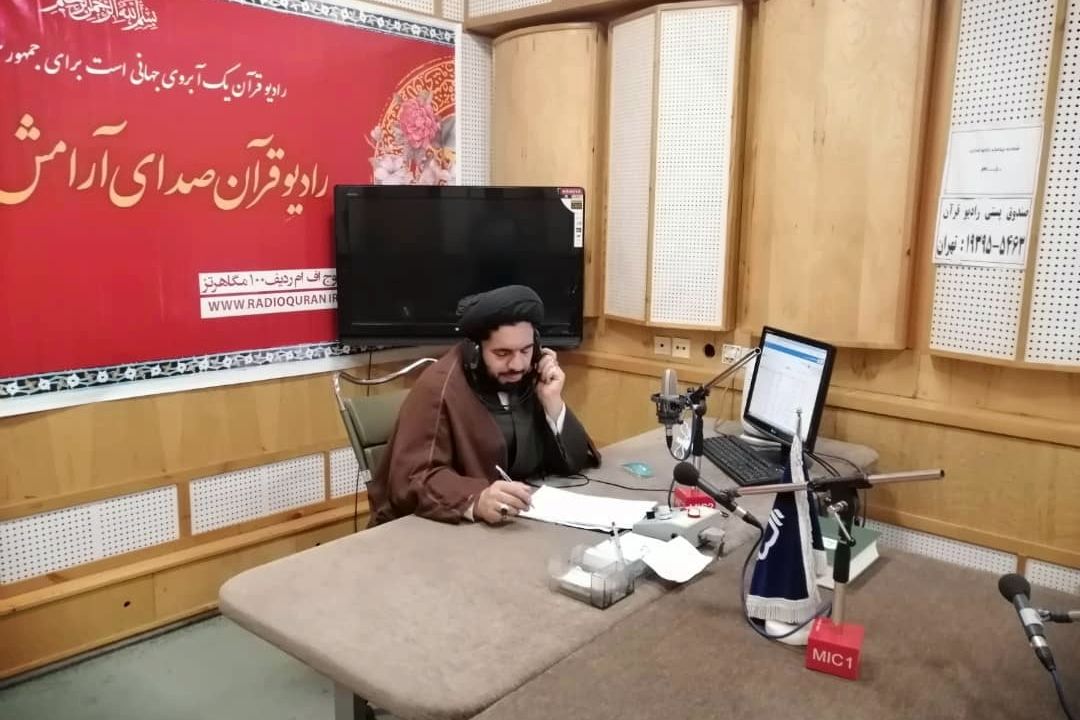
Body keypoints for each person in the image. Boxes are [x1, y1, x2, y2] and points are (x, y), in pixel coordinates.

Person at [367, 285, 600, 526]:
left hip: (516, 524)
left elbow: (574, 462)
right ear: (475, 352)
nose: (517, 365)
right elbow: (414, 477)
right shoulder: (438, 388)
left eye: (526, 350)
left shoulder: (530, 377)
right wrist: (476, 499)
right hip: (434, 531)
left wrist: (552, 402)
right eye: (502, 353)